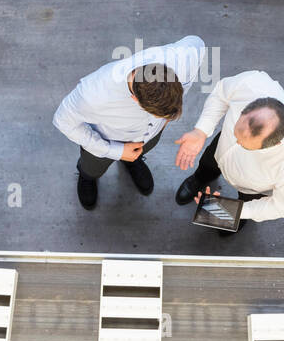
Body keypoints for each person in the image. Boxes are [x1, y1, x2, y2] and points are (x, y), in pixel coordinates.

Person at [53, 36, 207, 210]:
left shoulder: (182, 57)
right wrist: (116, 151)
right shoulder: (94, 94)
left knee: (141, 152)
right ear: (135, 98)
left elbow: (198, 43)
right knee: (92, 168)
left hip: (149, 138)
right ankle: (88, 177)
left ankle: (133, 161)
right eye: (156, 114)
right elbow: (62, 121)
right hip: (105, 143)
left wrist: (165, 121)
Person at [173, 70, 284, 235]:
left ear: (275, 143)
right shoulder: (251, 83)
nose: (238, 144)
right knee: (208, 163)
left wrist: (234, 210)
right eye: (237, 134)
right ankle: (199, 178)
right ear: (246, 110)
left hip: (251, 187)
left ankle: (236, 220)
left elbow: (283, 206)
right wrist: (201, 131)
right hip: (218, 151)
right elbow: (221, 93)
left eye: (246, 146)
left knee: (242, 203)